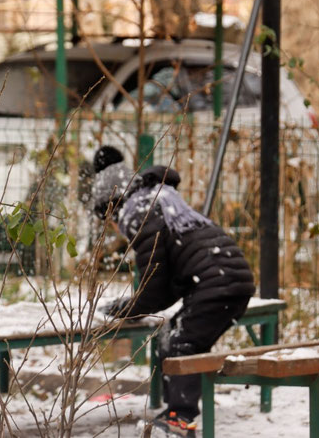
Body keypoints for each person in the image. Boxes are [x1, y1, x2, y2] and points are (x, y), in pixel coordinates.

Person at [91, 146, 255, 438]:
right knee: (175, 336)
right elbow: (166, 287)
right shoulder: (159, 202)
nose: (113, 229)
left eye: (108, 221)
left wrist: (128, 309)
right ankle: (177, 412)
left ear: (113, 208)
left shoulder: (138, 215)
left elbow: (154, 288)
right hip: (229, 279)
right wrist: (130, 305)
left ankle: (180, 418)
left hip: (217, 284)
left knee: (181, 342)